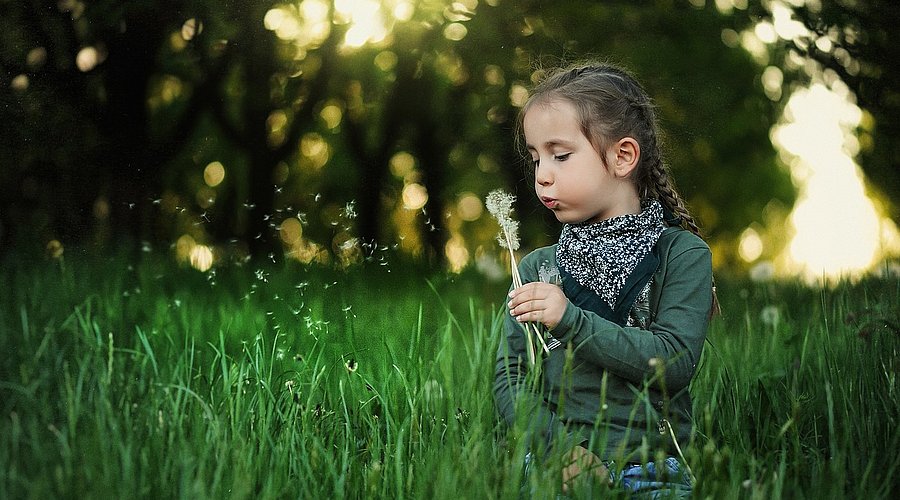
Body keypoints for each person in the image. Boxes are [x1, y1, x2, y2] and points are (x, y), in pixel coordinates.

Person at [493, 62, 717, 498]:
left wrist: (570, 320)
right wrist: (560, 451)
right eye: (536, 157)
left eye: (560, 155)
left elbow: (674, 364)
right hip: (555, 462)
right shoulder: (536, 268)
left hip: (652, 464)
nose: (541, 174)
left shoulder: (682, 255)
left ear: (622, 156)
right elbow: (510, 378)